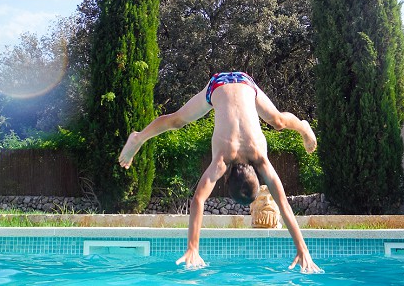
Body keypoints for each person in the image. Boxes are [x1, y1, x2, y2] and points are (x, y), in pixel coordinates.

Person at [118, 70, 322, 274]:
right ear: (225, 179)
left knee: (277, 122)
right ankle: (137, 138)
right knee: (177, 121)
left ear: (255, 176)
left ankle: (303, 127)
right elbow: (198, 200)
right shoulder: (223, 160)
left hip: (245, 83)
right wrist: (192, 248)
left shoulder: (259, 159)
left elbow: (282, 203)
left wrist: (303, 250)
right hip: (217, 86)